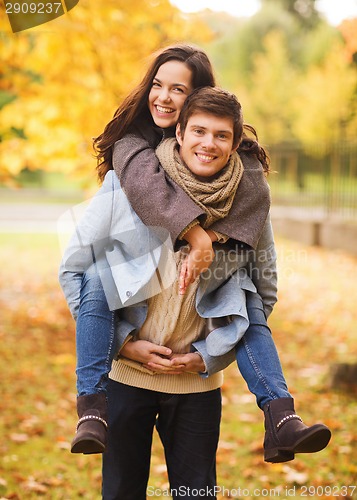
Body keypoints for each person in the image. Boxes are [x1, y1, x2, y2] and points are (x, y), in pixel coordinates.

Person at [59, 45, 331, 468]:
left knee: (246, 294)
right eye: (158, 85)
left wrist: (210, 353)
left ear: (201, 100)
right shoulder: (133, 161)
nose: (164, 98)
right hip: (127, 371)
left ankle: (280, 413)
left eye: (179, 89)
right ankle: (89, 403)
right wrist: (123, 345)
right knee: (96, 277)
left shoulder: (243, 180)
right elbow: (75, 266)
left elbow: (264, 284)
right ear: (182, 131)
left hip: (196, 384)